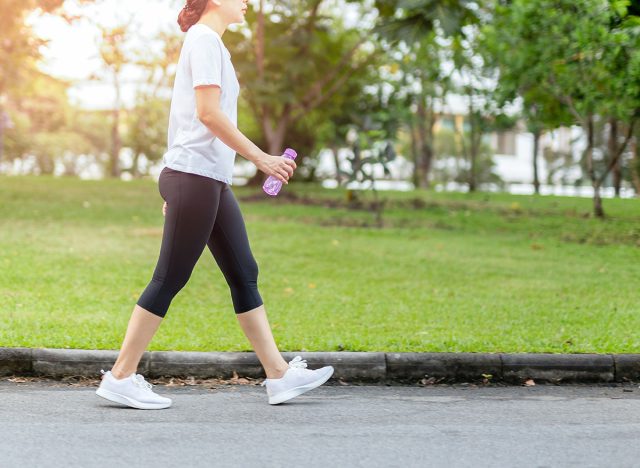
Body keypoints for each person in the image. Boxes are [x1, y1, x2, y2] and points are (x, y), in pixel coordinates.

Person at [96, 0, 334, 409]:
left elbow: (198, 116)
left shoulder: (213, 44)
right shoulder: (204, 40)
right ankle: (120, 376)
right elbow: (208, 114)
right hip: (195, 177)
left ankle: (278, 376)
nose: (245, 2)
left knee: (244, 272)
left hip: (208, 180)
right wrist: (262, 159)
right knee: (169, 278)